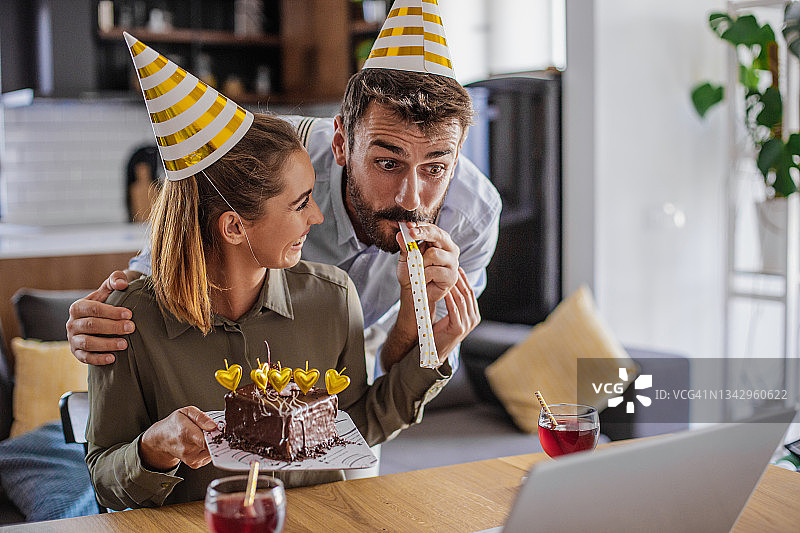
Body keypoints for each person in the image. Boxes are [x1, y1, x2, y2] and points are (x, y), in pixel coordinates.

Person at [87, 34, 479, 510]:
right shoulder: (131, 319)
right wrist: (156, 448)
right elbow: (105, 477)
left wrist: (428, 346)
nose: (317, 219)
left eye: (436, 168)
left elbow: (358, 423)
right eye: (301, 205)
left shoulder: (334, 296)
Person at [67, 0, 501, 377]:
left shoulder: (472, 217)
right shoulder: (275, 161)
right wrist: (106, 319)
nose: (411, 199)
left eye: (436, 168)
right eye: (388, 163)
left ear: (458, 153)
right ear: (341, 144)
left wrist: (417, 315)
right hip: (236, 359)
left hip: (352, 376)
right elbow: (169, 261)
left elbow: (396, 377)